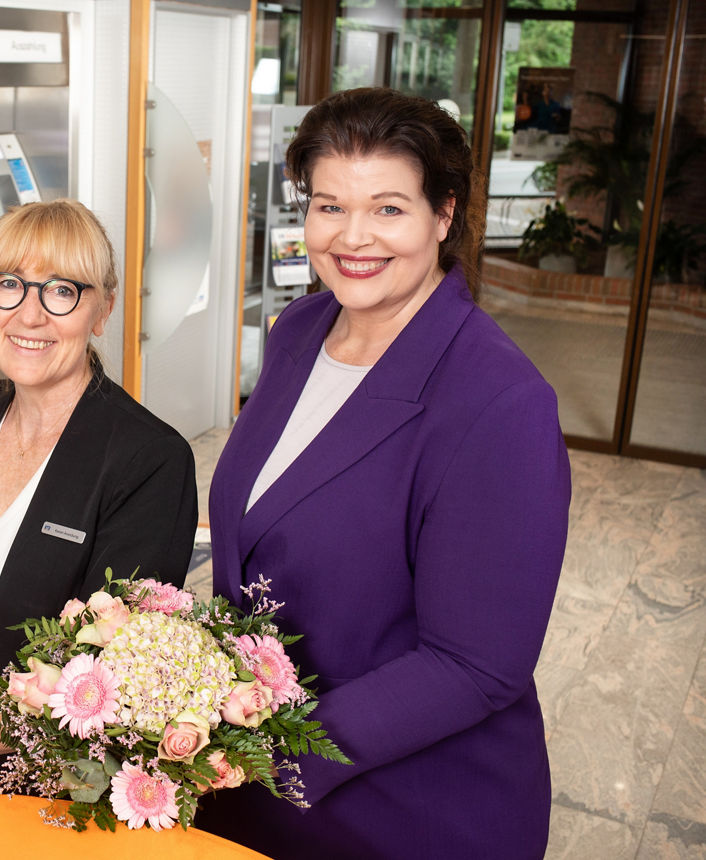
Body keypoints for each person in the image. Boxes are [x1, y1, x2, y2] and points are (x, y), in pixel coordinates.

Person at [195, 88, 570, 858]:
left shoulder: (501, 401)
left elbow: (473, 666)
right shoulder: (300, 330)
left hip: (404, 809)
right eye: (329, 205)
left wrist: (272, 752)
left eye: (388, 209)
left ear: (444, 215)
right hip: (252, 784)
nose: (352, 236)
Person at [0, 200, 198, 795]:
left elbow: (108, 664)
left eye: (62, 290)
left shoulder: (149, 459)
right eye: (9, 284)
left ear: (102, 310)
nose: (30, 314)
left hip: (59, 788)